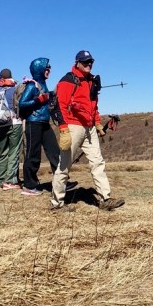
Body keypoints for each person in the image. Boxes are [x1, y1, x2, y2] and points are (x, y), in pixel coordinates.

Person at [50, 51, 124, 211]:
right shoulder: (67, 80)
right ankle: (57, 204)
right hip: (72, 127)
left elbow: (93, 106)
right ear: (77, 63)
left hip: (89, 128)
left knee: (98, 162)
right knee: (64, 165)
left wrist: (97, 123)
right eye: (85, 62)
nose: (89, 64)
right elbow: (60, 106)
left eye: (91, 62)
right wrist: (63, 129)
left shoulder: (92, 81)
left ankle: (105, 198)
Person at [18, 57, 59, 196]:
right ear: (39, 69)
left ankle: (61, 182)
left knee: (55, 152)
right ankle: (29, 186)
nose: (49, 70)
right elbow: (22, 104)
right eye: (47, 68)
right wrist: (38, 100)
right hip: (33, 123)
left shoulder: (42, 84)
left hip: (44, 122)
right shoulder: (32, 86)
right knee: (33, 154)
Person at [0, 68, 23, 190]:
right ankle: (10, 181)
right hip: (14, 123)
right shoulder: (14, 90)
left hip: (0, 124)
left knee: (2, 153)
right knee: (13, 152)